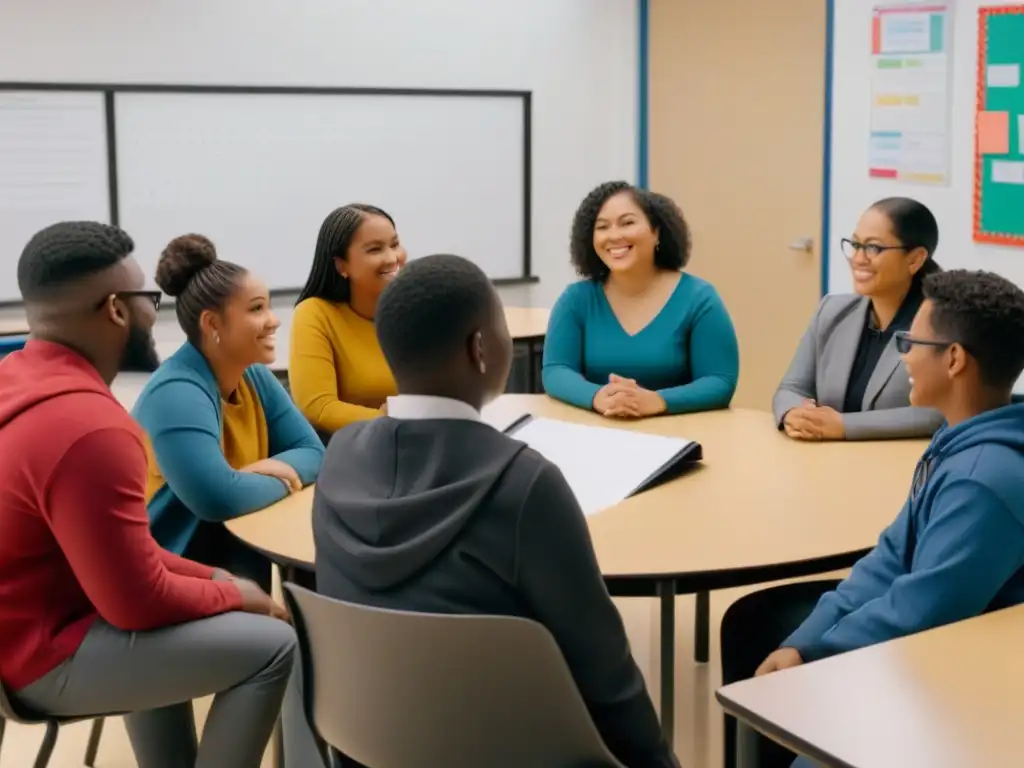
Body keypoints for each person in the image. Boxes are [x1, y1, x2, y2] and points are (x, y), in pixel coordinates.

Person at [314, 253, 679, 768]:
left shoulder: (340, 458)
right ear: (481, 348)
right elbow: (606, 676)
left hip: (367, 749)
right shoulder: (523, 484)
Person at [0, 221, 295, 768]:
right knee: (273, 647)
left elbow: (124, 561)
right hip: (40, 654)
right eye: (148, 299)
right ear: (115, 308)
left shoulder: (18, 375)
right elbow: (135, 603)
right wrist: (238, 596)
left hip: (27, 624)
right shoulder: (92, 429)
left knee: (188, 613)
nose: (154, 314)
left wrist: (212, 578)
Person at [722, 269, 1024, 768]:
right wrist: (805, 643)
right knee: (763, 630)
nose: (902, 354)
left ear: (953, 359)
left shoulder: (983, 480)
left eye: (911, 341)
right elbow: (888, 560)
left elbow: (920, 613)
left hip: (954, 681)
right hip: (924, 645)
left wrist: (818, 658)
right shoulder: (959, 441)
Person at [133, 234, 323, 578]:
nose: (274, 320)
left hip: (234, 556)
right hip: (173, 573)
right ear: (212, 324)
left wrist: (244, 478)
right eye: (256, 309)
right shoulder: (176, 393)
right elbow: (217, 500)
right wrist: (277, 478)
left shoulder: (253, 375)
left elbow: (314, 452)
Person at [542, 181, 738, 418]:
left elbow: (719, 381)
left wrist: (657, 401)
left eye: (627, 223)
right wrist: (598, 397)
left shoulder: (699, 298)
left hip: (679, 438)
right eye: (602, 227)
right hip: (593, 434)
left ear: (656, 231)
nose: (614, 236)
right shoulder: (575, 299)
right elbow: (556, 370)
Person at [773, 197, 945, 441]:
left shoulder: (940, 324)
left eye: (873, 248)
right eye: (855, 244)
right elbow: (792, 387)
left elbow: (937, 414)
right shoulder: (832, 310)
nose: (858, 258)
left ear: (915, 259)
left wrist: (844, 426)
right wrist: (793, 413)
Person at [289, 204, 406, 437]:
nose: (393, 258)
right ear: (341, 265)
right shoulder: (315, 313)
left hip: (424, 446)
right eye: (375, 249)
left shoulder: (416, 308)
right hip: (354, 455)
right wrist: (391, 421)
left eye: (394, 244)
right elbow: (318, 407)